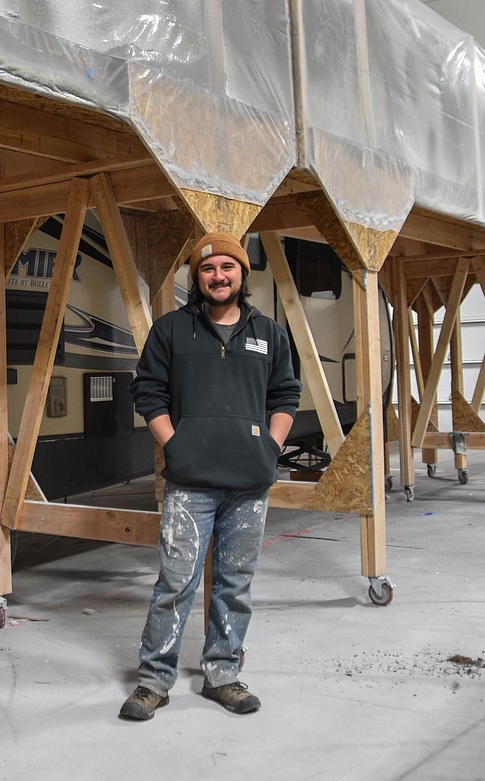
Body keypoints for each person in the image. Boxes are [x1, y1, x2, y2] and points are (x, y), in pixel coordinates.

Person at [120, 231, 301, 721]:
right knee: (175, 582)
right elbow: (148, 392)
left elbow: (285, 396)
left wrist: (270, 445)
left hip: (249, 483)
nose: (218, 276)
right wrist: (175, 443)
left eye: (227, 267)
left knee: (235, 582)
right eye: (207, 269)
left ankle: (222, 674)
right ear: (196, 279)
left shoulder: (269, 332)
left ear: (242, 275)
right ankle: (154, 680)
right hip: (190, 484)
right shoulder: (172, 330)